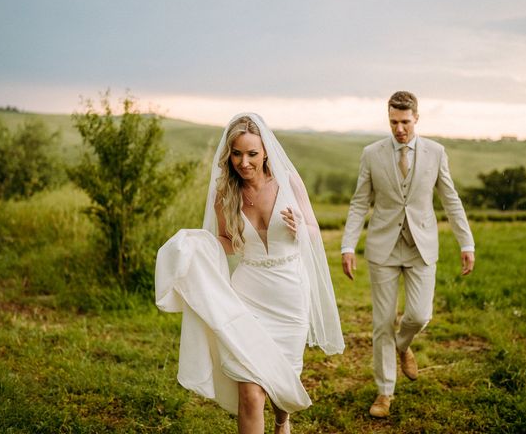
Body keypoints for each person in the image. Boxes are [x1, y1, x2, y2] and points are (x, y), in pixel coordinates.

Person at [155, 113, 344, 434]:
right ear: (228, 155)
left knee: (283, 377)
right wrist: (196, 243)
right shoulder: (224, 194)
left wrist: (301, 228)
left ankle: (283, 420)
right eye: (237, 153)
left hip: (289, 295)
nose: (244, 162)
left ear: (266, 152)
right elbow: (229, 242)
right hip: (248, 294)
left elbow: (313, 229)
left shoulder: (288, 184)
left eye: (252, 154)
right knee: (250, 393)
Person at [341, 91, 475, 418]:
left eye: (404, 122)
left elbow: (450, 200)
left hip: (421, 247)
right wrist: (347, 244)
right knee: (382, 322)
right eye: (393, 122)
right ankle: (385, 393)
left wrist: (466, 242)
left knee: (419, 315)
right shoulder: (371, 154)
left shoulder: (436, 153)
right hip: (382, 248)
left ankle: (402, 346)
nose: (399, 129)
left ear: (416, 118)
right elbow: (360, 202)